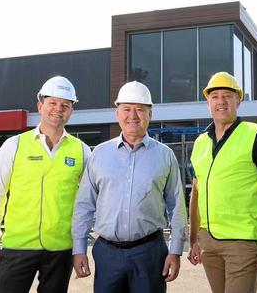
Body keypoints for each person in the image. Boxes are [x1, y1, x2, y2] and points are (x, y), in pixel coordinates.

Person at [71, 81, 187, 293]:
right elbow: (84, 204)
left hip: (150, 253)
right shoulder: (99, 154)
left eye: (140, 109)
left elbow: (177, 205)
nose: (133, 115)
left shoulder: (165, 156)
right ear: (117, 113)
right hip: (107, 254)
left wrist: (176, 250)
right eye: (126, 109)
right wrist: (79, 248)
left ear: (150, 114)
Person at [0, 76, 91, 293]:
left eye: (65, 105)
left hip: (60, 250)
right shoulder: (14, 146)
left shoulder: (82, 151)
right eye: (52, 103)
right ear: (40, 106)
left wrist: (79, 248)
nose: (58, 109)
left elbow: (86, 205)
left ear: (71, 111)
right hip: (17, 247)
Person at [187, 72, 257, 293]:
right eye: (215, 96)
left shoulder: (255, 136)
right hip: (209, 242)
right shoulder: (200, 143)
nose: (221, 101)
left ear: (239, 100)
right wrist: (193, 239)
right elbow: (196, 194)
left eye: (227, 95)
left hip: (243, 243)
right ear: (208, 102)